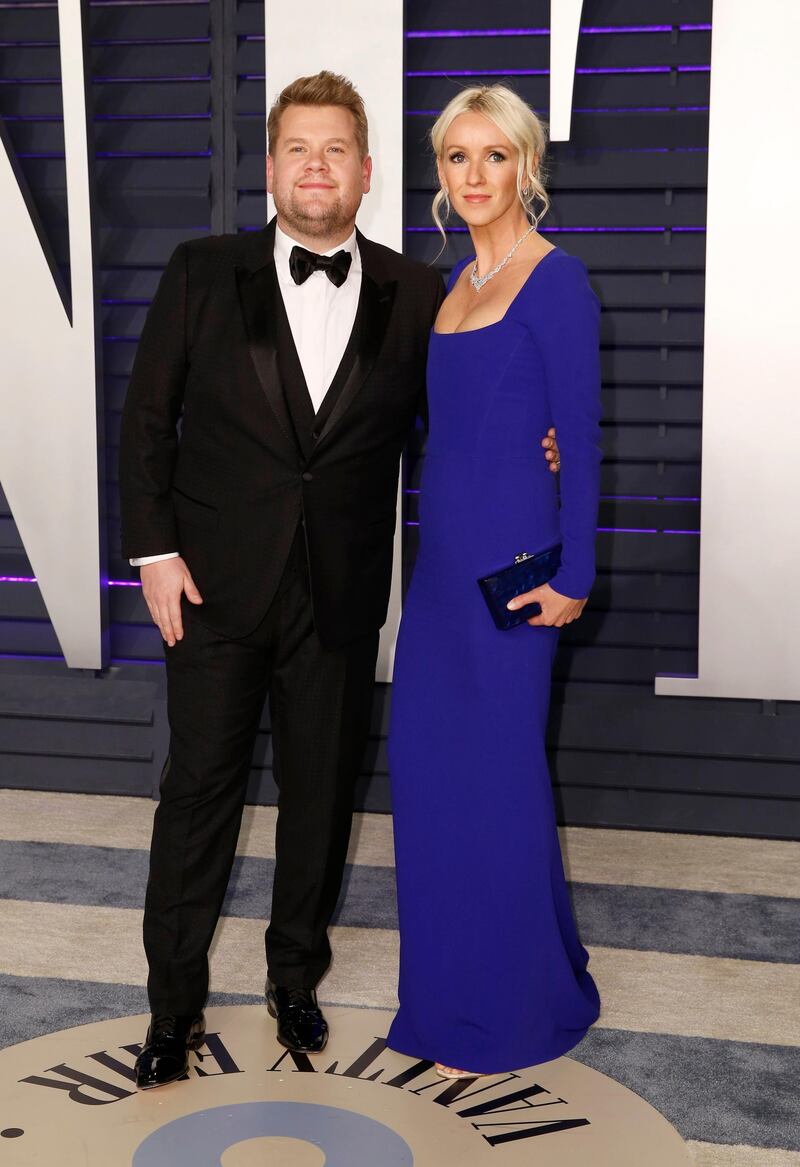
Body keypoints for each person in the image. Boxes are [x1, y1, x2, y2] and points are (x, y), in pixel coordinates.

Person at [119, 69, 561, 1090]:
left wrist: (531, 446)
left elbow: (456, 420)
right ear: (270, 166)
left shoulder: (418, 292)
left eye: (334, 151)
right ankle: (171, 1007)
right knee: (197, 798)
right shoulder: (198, 270)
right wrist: (154, 553)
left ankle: (293, 979)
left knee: (318, 801)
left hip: (343, 592)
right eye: (296, 149)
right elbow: (146, 422)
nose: (315, 166)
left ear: (365, 173)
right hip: (213, 591)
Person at [386, 84, 602, 1079]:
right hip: (438, 576)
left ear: (527, 168)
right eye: (455, 158)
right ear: (440, 174)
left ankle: (516, 1008)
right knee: (432, 781)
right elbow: (447, 431)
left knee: (504, 783)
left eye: (493, 157)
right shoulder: (443, 290)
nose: (473, 176)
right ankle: (446, 994)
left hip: (517, 572)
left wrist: (578, 573)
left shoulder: (555, 283)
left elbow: (583, 439)